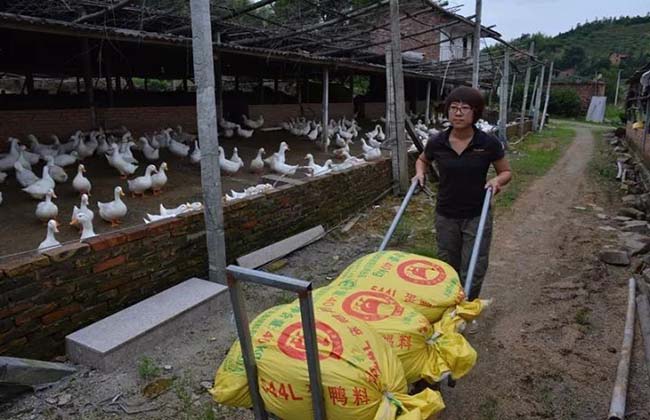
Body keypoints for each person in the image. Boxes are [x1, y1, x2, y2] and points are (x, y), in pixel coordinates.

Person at [413, 86, 512, 309]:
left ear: (475, 113)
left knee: (474, 265)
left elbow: (506, 172)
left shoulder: (488, 143)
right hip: (446, 214)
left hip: (477, 213)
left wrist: (497, 181)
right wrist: (420, 173)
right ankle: (447, 306)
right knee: (447, 264)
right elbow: (423, 160)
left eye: (464, 108)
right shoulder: (437, 141)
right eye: (453, 108)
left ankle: (466, 308)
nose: (458, 113)